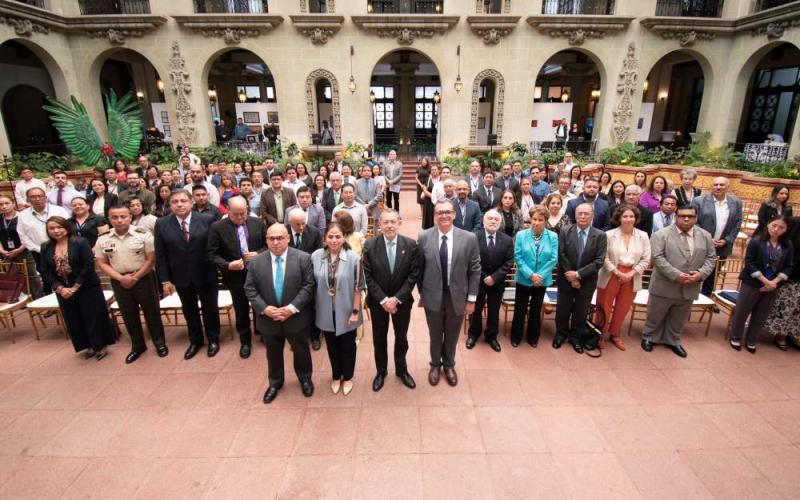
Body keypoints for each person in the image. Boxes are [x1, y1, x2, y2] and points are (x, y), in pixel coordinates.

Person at [244, 223, 315, 404]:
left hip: (295, 318)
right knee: (273, 353)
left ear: (288, 238)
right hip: (269, 319)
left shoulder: (303, 258)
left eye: (280, 238)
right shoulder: (256, 261)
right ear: (266, 240)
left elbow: (308, 286)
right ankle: (275, 382)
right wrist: (264, 308)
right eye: (271, 238)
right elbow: (249, 288)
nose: (275, 242)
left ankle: (305, 378)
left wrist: (291, 309)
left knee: (301, 351)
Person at [418, 200, 481, 387]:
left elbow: (475, 270)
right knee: (435, 334)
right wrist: (423, 294)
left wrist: (471, 299)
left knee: (452, 335)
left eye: (447, 212)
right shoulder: (424, 237)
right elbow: (419, 270)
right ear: (435, 216)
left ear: (454, 214)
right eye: (439, 212)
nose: (443, 215)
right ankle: (435, 365)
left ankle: (449, 365)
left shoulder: (469, 238)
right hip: (433, 296)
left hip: (458, 297)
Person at [95, 205, 168, 363]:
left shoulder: (143, 234)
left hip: (143, 278)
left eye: (123, 216)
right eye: (115, 217)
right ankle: (137, 346)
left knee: (152, 312)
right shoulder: (103, 238)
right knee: (128, 314)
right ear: (109, 219)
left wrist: (136, 277)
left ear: (130, 217)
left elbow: (151, 258)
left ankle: (159, 343)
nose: (119, 220)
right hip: (119, 280)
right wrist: (120, 278)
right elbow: (102, 262)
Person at [642, 205, 716, 357]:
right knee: (656, 313)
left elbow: (711, 258)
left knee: (679, 316)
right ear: (676, 217)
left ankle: (673, 340)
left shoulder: (705, 236)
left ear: (696, 218)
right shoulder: (661, 234)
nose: (686, 219)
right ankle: (649, 337)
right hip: (665, 283)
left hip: (691, 284)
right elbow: (657, 257)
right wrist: (675, 274)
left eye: (690, 216)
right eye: (682, 216)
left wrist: (701, 274)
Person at [154, 190, 221, 359]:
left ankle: (213, 339)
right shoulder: (162, 224)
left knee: (210, 309)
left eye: (183, 200)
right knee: (189, 310)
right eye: (175, 201)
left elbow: (215, 247)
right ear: (170, 205)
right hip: (181, 275)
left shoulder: (207, 219)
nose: (179, 204)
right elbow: (160, 255)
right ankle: (195, 341)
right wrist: (165, 280)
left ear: (191, 203)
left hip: (206, 273)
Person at [39, 216, 115, 359]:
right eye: (52, 228)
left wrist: (75, 287)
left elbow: (88, 266)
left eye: (59, 227)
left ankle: (100, 345)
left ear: (67, 227)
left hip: (86, 286)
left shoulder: (80, 242)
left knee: (93, 316)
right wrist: (60, 288)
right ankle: (88, 346)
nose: (56, 231)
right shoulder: (45, 247)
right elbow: (45, 270)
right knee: (74, 318)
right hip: (63, 289)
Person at [362, 209, 419, 391]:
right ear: (380, 225)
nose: (389, 226)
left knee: (401, 337)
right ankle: (381, 371)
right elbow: (367, 276)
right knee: (379, 338)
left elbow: (413, 275)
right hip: (378, 303)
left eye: (393, 222)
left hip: (402, 303)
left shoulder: (411, 245)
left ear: (399, 223)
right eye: (385, 222)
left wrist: (396, 299)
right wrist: (384, 300)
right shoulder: (370, 246)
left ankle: (402, 370)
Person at [207, 196, 267, 359]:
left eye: (243, 213)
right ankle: (245, 341)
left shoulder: (257, 223)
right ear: (228, 210)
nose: (240, 217)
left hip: (257, 273)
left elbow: (268, 245)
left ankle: (261, 332)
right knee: (240, 309)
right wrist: (227, 265)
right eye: (236, 214)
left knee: (260, 304)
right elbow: (212, 254)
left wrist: (258, 254)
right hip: (234, 275)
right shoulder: (217, 227)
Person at [311, 222, 367, 396]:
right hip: (325, 310)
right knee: (331, 346)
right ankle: (336, 375)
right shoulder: (315, 256)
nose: (334, 240)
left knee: (348, 346)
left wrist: (355, 311)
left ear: (344, 237)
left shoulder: (353, 258)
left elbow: (359, 286)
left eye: (338, 236)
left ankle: (348, 377)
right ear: (324, 238)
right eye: (330, 236)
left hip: (347, 310)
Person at [729, 217, 793, 353]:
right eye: (774, 225)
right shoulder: (757, 241)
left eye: (781, 227)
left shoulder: (787, 245)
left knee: (761, 314)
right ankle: (735, 336)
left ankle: (752, 340)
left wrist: (774, 283)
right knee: (743, 311)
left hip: (773, 286)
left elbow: (789, 266)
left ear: (786, 230)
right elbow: (750, 262)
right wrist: (765, 280)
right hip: (752, 282)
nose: (776, 230)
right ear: (768, 224)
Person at [554, 203, 608, 354]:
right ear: (575, 215)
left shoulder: (600, 235)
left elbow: (599, 260)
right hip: (566, 278)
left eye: (586, 213)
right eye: (580, 213)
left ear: (592, 216)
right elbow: (561, 254)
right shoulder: (565, 231)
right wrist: (571, 276)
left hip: (587, 281)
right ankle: (560, 334)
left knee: (581, 311)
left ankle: (576, 337)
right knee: (563, 310)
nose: (583, 216)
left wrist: (578, 275)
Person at [595, 205, 651, 351]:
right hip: (611, 274)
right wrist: (618, 272)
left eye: (631, 216)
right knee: (604, 306)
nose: (628, 219)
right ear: (619, 218)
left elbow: (646, 259)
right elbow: (604, 257)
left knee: (622, 307)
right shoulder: (608, 234)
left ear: (636, 218)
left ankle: (615, 334)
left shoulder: (643, 235)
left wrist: (631, 274)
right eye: (625, 216)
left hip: (632, 275)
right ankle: (599, 333)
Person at [510, 206, 558, 347]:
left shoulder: (553, 236)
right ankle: (516, 336)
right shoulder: (521, 235)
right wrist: (531, 275)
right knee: (520, 308)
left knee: (536, 309)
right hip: (524, 278)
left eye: (540, 220)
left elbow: (553, 259)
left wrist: (540, 276)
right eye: (534, 219)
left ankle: (533, 337)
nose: (536, 222)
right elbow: (518, 257)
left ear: (546, 221)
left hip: (542, 281)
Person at [467, 210, 514, 352]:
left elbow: (509, 261)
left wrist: (495, 277)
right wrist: (484, 276)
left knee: (494, 310)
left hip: (497, 282)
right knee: (476, 309)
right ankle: (473, 334)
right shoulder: (474, 237)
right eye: (490, 218)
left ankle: (491, 336)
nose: (493, 221)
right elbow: (470, 260)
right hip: (478, 280)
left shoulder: (507, 240)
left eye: (496, 219)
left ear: (500, 223)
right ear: (483, 221)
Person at [692, 177, 743, 297]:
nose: (718, 187)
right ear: (712, 186)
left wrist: (727, 240)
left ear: (728, 186)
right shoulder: (699, 201)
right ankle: (690, 299)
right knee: (695, 272)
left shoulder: (736, 202)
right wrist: (707, 237)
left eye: (722, 185)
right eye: (715, 184)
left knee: (713, 275)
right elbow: (693, 221)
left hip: (722, 246)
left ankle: (706, 298)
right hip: (701, 244)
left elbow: (738, 223)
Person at [17, 187, 69, 294]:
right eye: (33, 197)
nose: (37, 199)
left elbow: (68, 228)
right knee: (47, 278)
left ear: (45, 198)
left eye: (40, 196)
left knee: (66, 275)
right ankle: (51, 305)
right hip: (38, 252)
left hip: (62, 249)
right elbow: (23, 237)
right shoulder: (22, 216)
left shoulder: (59, 210)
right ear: (28, 199)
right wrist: (39, 249)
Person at [763, 217, 800, 350]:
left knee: (798, 310)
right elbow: (787, 247)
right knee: (787, 306)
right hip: (793, 275)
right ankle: (781, 334)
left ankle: (794, 334)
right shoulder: (796, 222)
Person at [0, 194, 43, 298]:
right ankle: (22, 297)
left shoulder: (22, 216)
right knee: (12, 275)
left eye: (7, 203)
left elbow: (28, 235)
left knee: (32, 275)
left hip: (24, 249)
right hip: (6, 252)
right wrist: (1, 251)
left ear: (13, 204)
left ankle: (39, 297)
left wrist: (19, 250)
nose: (4, 206)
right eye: (1, 204)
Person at [421, 164, 440, 229]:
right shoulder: (428, 179)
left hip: (438, 202)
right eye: (432, 170)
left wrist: (430, 195)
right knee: (428, 218)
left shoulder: (441, 180)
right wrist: (432, 196)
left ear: (438, 171)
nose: (434, 171)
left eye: (435, 169)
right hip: (428, 203)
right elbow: (424, 190)